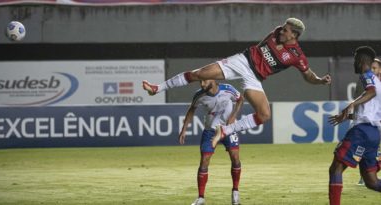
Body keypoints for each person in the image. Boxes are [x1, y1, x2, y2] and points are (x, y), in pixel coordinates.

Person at [142, 17, 331, 148]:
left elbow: (308, 75)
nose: (281, 30)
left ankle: (225, 130)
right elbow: (271, 42)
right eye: (282, 27)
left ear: (294, 35)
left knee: (265, 115)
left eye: (286, 30)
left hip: (254, 77)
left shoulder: (297, 56)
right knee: (200, 74)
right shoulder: (275, 33)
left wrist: (320, 80)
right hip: (242, 61)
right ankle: (157, 88)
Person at [328, 46, 381, 205]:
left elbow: (371, 92)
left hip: (361, 132)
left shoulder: (367, 76)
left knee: (336, 168)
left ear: (360, 61)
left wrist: (351, 104)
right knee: (371, 181)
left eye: (355, 60)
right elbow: (370, 112)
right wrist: (348, 116)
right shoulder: (378, 81)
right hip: (373, 133)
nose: (353, 63)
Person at [179, 79, 244, 205]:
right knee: (204, 161)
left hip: (228, 129)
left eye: (204, 81)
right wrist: (184, 129)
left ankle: (235, 192)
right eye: (200, 82)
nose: (202, 84)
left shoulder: (228, 89)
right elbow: (192, 109)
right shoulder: (199, 95)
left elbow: (240, 99)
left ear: (213, 80)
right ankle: (201, 198)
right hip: (210, 131)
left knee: (235, 157)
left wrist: (233, 116)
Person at [356, 58, 381, 186]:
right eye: (370, 68)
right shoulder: (365, 82)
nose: (372, 70)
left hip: (377, 123)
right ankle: (365, 176)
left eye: (374, 68)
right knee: (364, 150)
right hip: (370, 123)